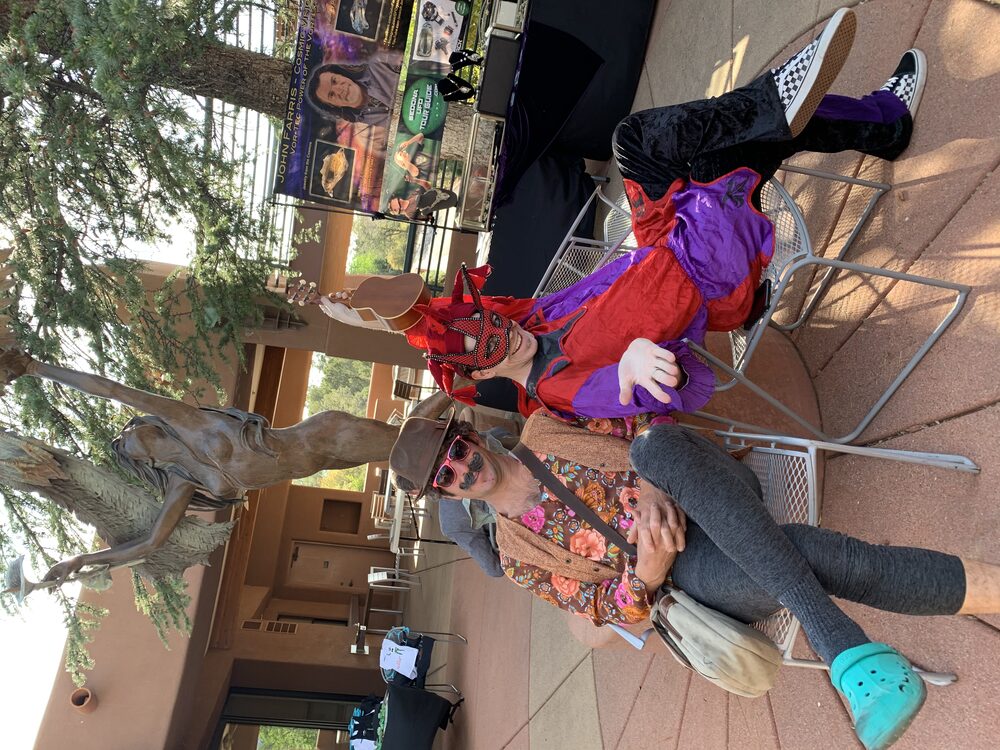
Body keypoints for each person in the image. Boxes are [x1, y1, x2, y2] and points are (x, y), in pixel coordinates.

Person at [333, 8, 925, 425]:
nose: (501, 329)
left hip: (661, 242)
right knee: (736, 144)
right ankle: (834, 112)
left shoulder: (529, 322)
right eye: (489, 343)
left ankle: (825, 114)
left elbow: (435, 318)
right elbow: (646, 394)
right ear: (483, 371)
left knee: (636, 141)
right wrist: (635, 367)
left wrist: (373, 317)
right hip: (709, 278)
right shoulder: (559, 388)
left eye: (489, 319)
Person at [388, 406, 998, 750]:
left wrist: (652, 487)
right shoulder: (519, 557)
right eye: (448, 474)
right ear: (444, 492)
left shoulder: (544, 424)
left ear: (469, 435)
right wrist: (646, 575)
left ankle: (843, 651)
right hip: (692, 571)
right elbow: (608, 610)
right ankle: (863, 644)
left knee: (654, 450)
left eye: (458, 450)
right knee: (817, 558)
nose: (463, 468)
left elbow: (649, 416)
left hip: (704, 486)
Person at [0, 347, 450, 584]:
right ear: (145, 459)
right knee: (418, 445)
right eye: (130, 442)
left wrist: (37, 368)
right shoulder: (183, 483)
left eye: (134, 428)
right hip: (321, 462)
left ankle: (466, 385)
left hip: (324, 434)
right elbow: (151, 543)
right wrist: (83, 558)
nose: (133, 430)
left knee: (418, 446)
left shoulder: (188, 422)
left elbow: (110, 389)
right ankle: (470, 396)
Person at [305, 51, 402, 125]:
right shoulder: (360, 130)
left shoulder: (379, 63)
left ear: (341, 73)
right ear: (333, 105)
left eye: (334, 81)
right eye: (331, 94)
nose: (339, 89)